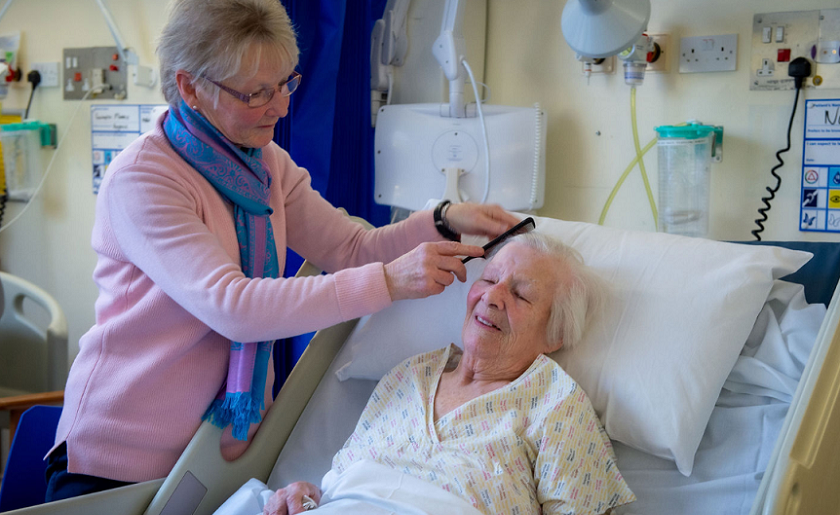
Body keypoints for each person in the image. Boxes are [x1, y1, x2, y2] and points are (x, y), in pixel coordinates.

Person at [44, 0, 519, 503]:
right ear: (189, 86)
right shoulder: (143, 180)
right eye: (256, 93)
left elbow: (351, 246)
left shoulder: (264, 163)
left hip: (217, 457)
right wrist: (389, 282)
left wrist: (441, 220)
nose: (281, 106)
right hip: (117, 462)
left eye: (285, 83)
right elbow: (235, 307)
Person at [256, 233, 635, 515]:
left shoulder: (557, 405)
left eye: (520, 295)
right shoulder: (410, 375)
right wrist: (303, 496)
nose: (492, 296)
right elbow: (339, 485)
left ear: (556, 335)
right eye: (488, 280)